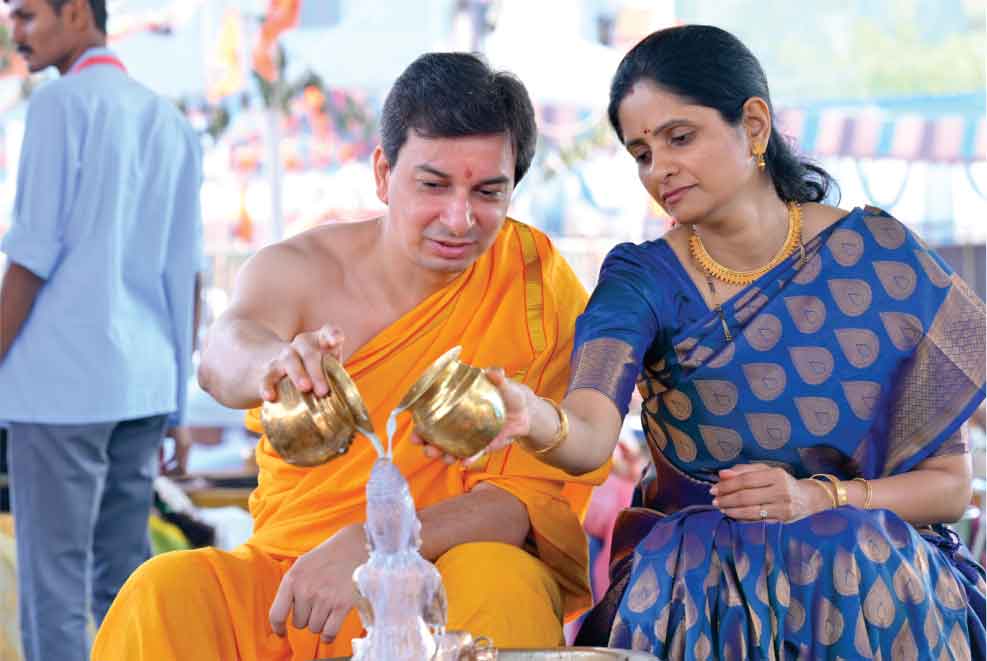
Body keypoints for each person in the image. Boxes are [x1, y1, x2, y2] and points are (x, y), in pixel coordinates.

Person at [474, 25, 987, 659]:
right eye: (640, 153)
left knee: (854, 553)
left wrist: (818, 499)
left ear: (753, 125)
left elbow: (948, 487)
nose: (659, 168)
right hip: (694, 578)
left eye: (679, 138)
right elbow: (588, 435)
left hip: (868, 566)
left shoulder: (880, 259)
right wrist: (531, 416)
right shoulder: (641, 279)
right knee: (694, 574)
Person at [93, 52, 607, 660]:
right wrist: (275, 365)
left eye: (487, 191)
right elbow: (223, 353)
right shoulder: (302, 269)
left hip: (447, 573)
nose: (459, 218)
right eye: (433, 184)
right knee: (163, 590)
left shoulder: (532, 284)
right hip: (301, 575)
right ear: (385, 174)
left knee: (503, 578)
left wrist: (374, 547)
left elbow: (519, 504)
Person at [0, 0, 203, 659]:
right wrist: (175, 405)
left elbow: (30, 257)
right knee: (125, 578)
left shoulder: (60, 105)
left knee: (52, 584)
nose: (15, 31)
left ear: (79, 15)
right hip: (141, 387)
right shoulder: (169, 121)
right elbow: (184, 275)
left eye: (28, 15)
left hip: (59, 388)